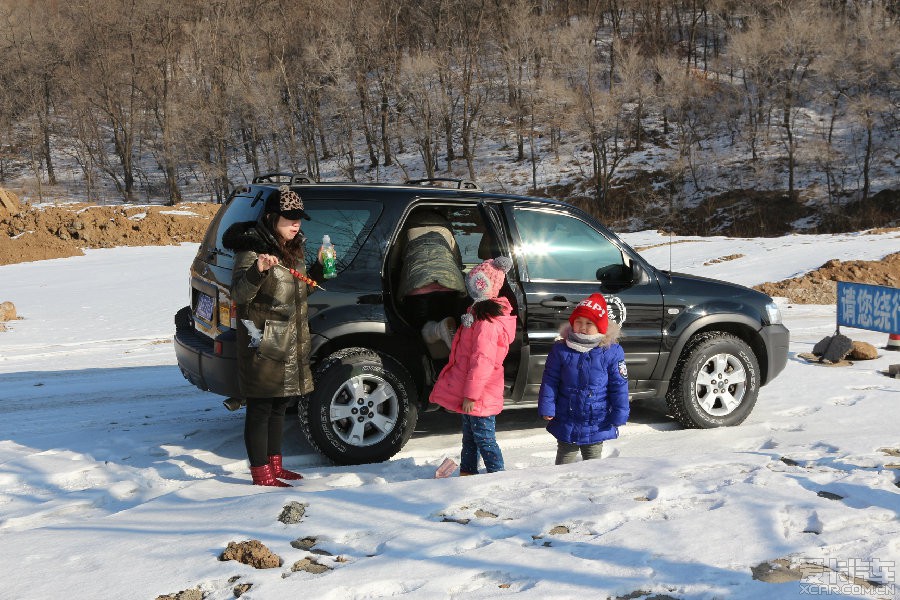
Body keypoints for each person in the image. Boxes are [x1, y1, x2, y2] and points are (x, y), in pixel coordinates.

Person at [222, 185, 321, 486]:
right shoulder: (251, 250)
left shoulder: (294, 248)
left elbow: (298, 290)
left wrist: (318, 270)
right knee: (261, 407)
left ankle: (276, 466)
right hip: (263, 341)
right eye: (288, 218)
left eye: (298, 218)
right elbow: (238, 294)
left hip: (290, 339)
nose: (295, 224)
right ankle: (260, 472)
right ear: (271, 217)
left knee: (280, 404)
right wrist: (258, 271)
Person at [429, 257, 517, 475]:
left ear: (483, 286)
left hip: (481, 395)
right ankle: (468, 473)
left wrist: (471, 395)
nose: (469, 287)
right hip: (475, 394)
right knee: (469, 437)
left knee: (485, 439)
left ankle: (497, 474)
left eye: (473, 283)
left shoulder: (486, 324)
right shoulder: (476, 315)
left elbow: (482, 363)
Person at [538, 293, 629, 465]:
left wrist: (620, 412)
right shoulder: (561, 349)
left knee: (593, 464)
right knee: (564, 461)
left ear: (600, 326)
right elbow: (550, 380)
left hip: (596, 420)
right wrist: (547, 407)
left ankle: (591, 490)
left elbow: (619, 386)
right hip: (567, 417)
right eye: (578, 322)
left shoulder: (611, 351)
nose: (583, 327)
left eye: (589, 323)